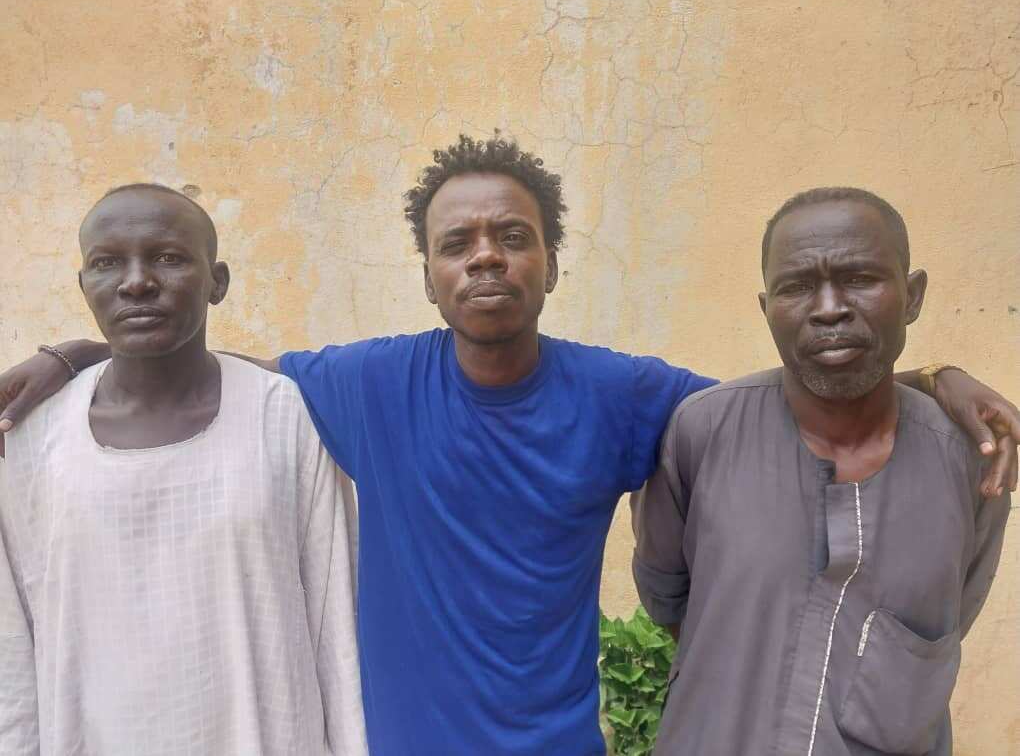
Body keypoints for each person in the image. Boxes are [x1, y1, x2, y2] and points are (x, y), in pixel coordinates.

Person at [0, 139, 1017, 755]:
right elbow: (189, 355)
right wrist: (74, 351)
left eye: (513, 235)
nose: (486, 255)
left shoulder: (628, 396)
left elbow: (808, 386)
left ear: (551, 261)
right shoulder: (362, 383)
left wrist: (935, 378)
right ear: (430, 273)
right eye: (458, 243)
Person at [632, 187, 1011, 755]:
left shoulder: (967, 458)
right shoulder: (702, 433)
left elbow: (954, 611)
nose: (829, 307)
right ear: (766, 310)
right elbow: (669, 597)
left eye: (860, 278)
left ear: (912, 296)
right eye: (797, 286)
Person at [0, 184, 367, 755]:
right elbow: (11, 653)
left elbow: (334, 626)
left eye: (168, 257)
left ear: (217, 281)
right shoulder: (29, 442)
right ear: (83, 287)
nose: (137, 281)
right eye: (107, 263)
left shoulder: (286, 415)